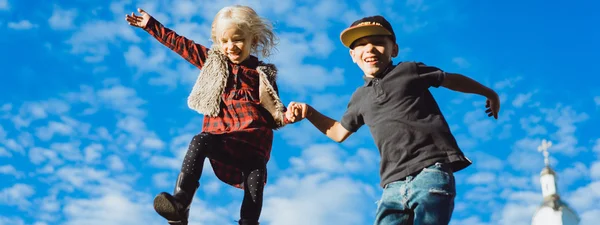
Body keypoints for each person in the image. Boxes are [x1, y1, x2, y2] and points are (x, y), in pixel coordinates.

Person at [286, 15, 501, 225]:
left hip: (430, 172)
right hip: (392, 186)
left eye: (378, 42)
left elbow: (449, 79)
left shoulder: (409, 71)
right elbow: (338, 132)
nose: (369, 49)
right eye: (361, 45)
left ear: (394, 50)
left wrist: (489, 93)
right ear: (352, 55)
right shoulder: (359, 98)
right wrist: (309, 112)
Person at [126, 6, 297, 225]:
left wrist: (290, 115)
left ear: (252, 40)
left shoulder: (262, 74)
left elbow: (276, 112)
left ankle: (249, 221)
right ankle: (181, 203)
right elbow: (181, 45)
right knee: (199, 141)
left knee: (255, 176)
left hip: (253, 143)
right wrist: (151, 25)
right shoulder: (213, 63)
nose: (230, 47)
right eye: (224, 42)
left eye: (237, 40)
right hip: (224, 138)